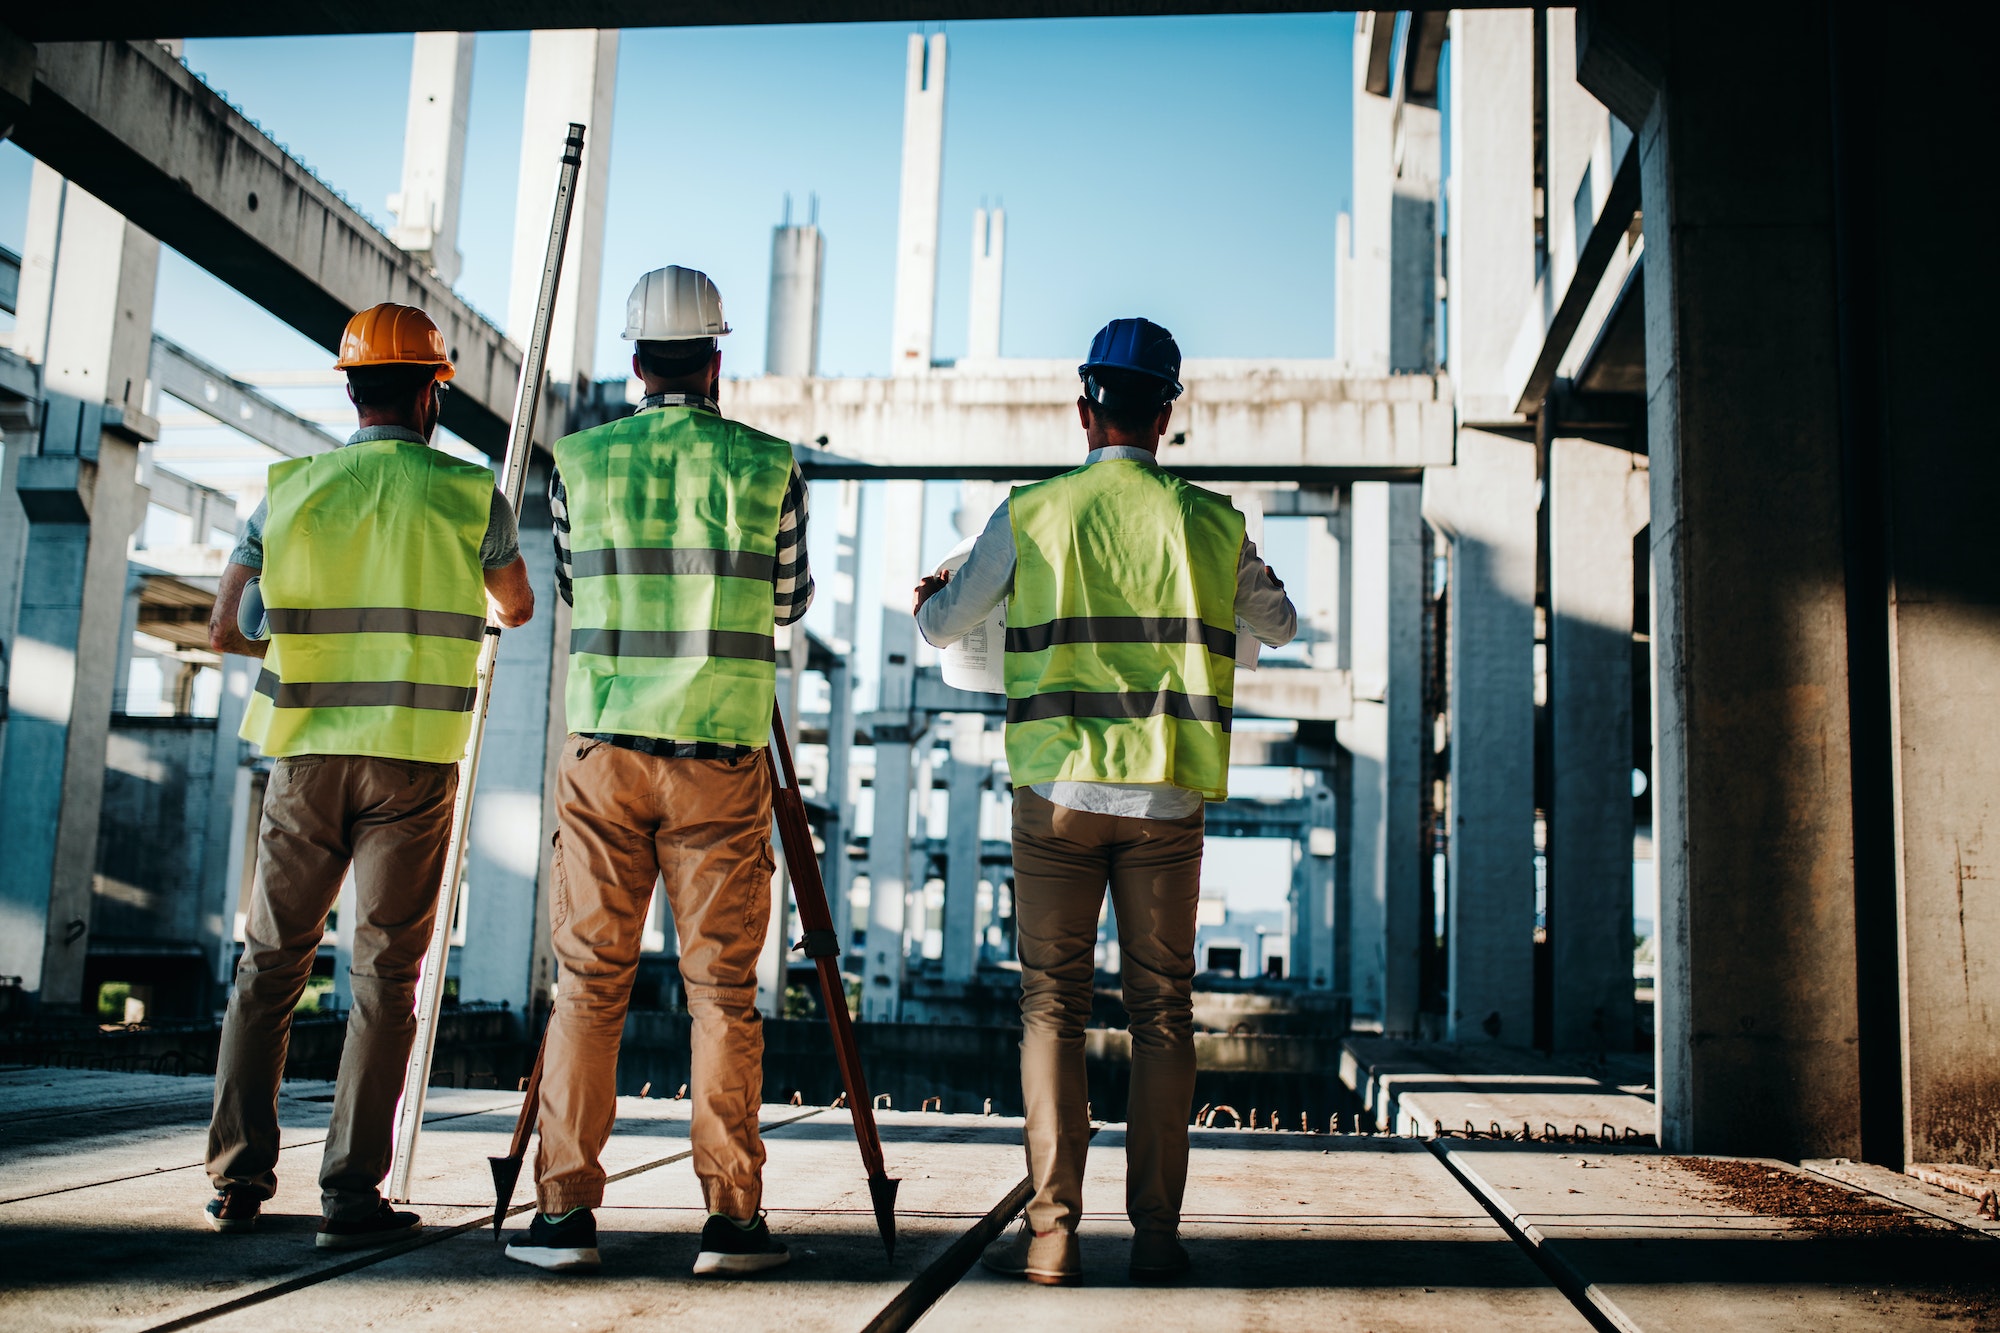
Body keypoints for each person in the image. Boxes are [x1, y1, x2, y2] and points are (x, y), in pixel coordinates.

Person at [914, 318, 1296, 1286]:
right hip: (1166, 794)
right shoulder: (1212, 523)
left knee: (1053, 1006)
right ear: (1166, 416)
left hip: (1058, 793)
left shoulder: (1031, 512)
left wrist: (933, 595)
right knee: (1163, 1012)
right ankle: (1157, 1237)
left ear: (1085, 411)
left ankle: (1052, 1234)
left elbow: (943, 625)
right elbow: (1281, 623)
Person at [202, 303, 535, 1247]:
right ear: (433, 393)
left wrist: (304, 628)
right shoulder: (471, 494)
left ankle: (237, 1180)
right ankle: (350, 1196)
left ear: (351, 390)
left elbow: (227, 626)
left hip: (307, 754)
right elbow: (516, 608)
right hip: (414, 761)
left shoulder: (291, 492)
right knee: (387, 975)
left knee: (270, 964)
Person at [505, 266, 812, 1277]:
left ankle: (563, 1213)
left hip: (604, 752)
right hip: (719, 758)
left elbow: (569, 588)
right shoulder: (769, 465)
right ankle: (730, 1219)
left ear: (635, 362)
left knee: (589, 983)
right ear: (715, 361)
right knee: (720, 991)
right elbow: (788, 601)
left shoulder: (578, 463)